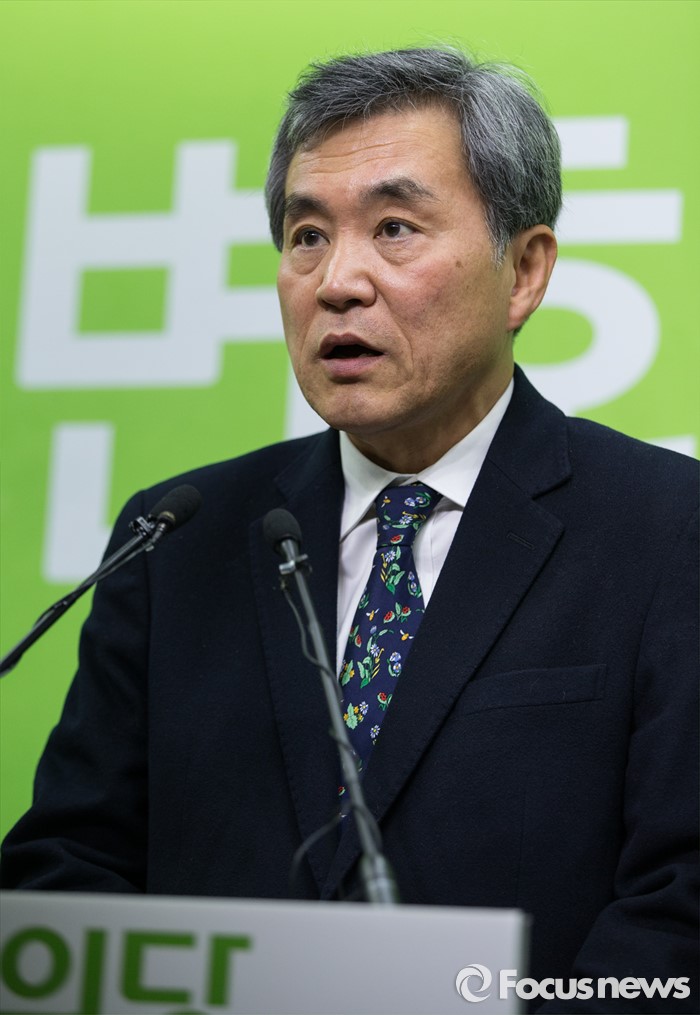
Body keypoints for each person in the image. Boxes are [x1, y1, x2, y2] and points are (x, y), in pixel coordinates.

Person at [2, 47, 697, 1012]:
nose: (336, 281)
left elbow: (680, 908)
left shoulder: (666, 529)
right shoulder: (176, 541)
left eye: (395, 228)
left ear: (524, 271)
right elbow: (68, 869)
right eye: (306, 236)